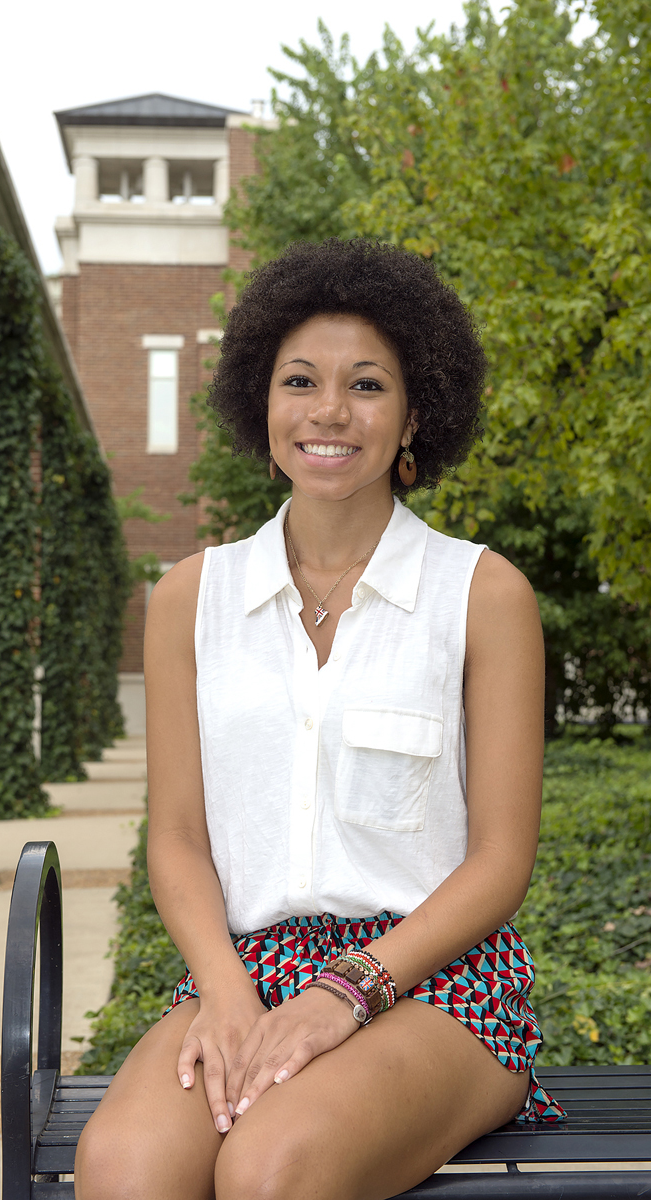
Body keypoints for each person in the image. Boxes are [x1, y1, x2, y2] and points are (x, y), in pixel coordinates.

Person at [75, 238, 563, 1200]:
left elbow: (502, 861)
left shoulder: (484, 596)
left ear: (416, 411)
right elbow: (175, 837)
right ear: (263, 404)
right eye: (300, 380)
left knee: (271, 1168)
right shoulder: (189, 599)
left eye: (368, 385)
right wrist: (223, 990)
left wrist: (348, 992)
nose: (330, 410)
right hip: (245, 969)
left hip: (436, 979)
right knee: (124, 1166)